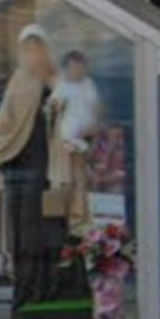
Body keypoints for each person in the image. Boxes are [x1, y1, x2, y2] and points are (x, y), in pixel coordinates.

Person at [0, 24, 90, 319]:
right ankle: (30, 291)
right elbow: (6, 125)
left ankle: (58, 286)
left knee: (56, 232)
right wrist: (2, 154)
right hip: (25, 174)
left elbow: (79, 117)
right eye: (28, 49)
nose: (34, 55)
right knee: (27, 236)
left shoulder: (60, 81)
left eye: (38, 48)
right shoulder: (18, 82)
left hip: (56, 173)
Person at [47, 49, 102, 230]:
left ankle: (80, 218)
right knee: (63, 182)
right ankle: (65, 220)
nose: (77, 71)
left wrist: (89, 134)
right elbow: (51, 111)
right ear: (66, 68)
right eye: (73, 68)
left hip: (82, 142)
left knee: (79, 181)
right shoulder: (61, 86)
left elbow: (95, 112)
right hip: (62, 144)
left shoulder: (88, 85)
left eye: (80, 67)